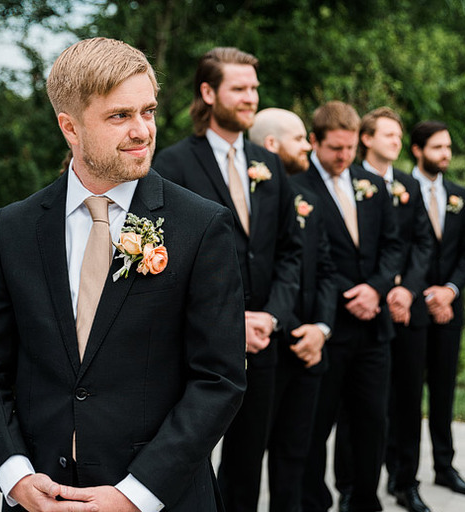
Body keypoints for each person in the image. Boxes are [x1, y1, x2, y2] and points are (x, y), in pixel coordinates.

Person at [0, 37, 247, 512]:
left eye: (148, 111)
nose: (142, 130)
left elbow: (219, 381)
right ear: (69, 127)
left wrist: (135, 495)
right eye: (119, 116)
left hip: (162, 499)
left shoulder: (201, 225)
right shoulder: (13, 228)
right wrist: (15, 477)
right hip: (40, 499)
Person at [154, 48, 303, 512]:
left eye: (254, 88)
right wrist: (231, 323)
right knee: (185, 462)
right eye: (239, 88)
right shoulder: (173, 165)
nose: (251, 97)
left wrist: (271, 317)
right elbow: (166, 263)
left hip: (262, 342)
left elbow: (289, 251)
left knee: (246, 463)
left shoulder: (269, 164)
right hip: (196, 347)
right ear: (208, 92)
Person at [294, 101, 401, 512]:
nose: (344, 156)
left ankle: (362, 500)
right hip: (328, 326)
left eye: (350, 148)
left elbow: (393, 246)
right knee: (315, 425)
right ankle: (313, 502)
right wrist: (348, 295)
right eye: (335, 148)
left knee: (372, 421)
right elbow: (306, 258)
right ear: (314, 141)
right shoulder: (298, 188)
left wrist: (375, 289)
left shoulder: (371, 184)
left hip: (374, 329)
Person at [338, 107, 433, 512]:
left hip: (405, 310)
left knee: (408, 399)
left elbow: (423, 243)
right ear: (367, 138)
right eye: (388, 134)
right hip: (362, 307)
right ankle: (350, 487)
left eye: (399, 135)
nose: (397, 141)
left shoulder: (409, 184)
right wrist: (381, 289)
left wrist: (406, 291)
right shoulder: (348, 179)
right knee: (356, 405)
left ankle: (405, 481)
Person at [250, 108, 338, 512]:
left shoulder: (311, 201)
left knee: (296, 457)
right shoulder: (248, 198)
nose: (308, 147)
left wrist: (321, 329)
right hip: (262, 347)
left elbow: (326, 270)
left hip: (308, 351)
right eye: (300, 139)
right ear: (272, 144)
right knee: (245, 461)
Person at [410, 120, 465, 498]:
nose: (446, 154)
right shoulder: (399, 192)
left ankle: (444, 466)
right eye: (438, 147)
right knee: (405, 395)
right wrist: (425, 295)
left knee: (443, 390)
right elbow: (397, 249)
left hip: (449, 310)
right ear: (417, 150)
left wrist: (449, 292)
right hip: (411, 308)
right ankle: (402, 474)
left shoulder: (459, 196)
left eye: (448, 147)